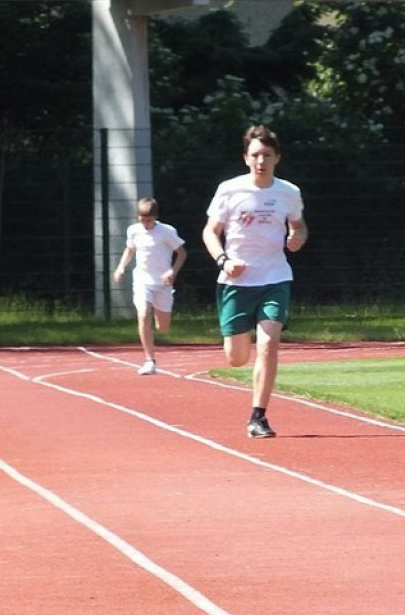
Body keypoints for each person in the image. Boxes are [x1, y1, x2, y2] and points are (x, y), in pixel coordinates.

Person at [202, 125, 308, 439]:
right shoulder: (229, 190)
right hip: (236, 281)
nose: (261, 161)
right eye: (256, 155)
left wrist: (297, 237)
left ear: (277, 158)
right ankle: (238, 336)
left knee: (268, 344)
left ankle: (258, 417)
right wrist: (224, 260)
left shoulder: (288, 192)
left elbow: (299, 226)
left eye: (267, 155)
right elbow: (210, 232)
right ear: (246, 158)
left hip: (275, 277)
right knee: (237, 358)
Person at [113, 197, 187, 374]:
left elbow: (182, 253)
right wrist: (121, 268)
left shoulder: (167, 231)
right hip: (142, 280)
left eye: (149, 220)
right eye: (142, 220)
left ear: (156, 217)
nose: (145, 224)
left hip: (162, 283)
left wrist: (172, 272)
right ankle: (149, 360)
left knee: (163, 328)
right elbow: (130, 250)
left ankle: (158, 316)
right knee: (143, 315)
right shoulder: (134, 231)